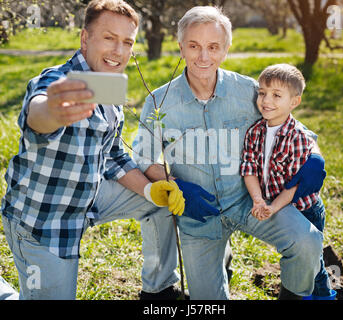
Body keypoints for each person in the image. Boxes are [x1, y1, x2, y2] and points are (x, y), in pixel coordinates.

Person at [0, 0, 212, 300]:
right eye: (109, 38)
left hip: (89, 199)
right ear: (84, 38)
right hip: (44, 220)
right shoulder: (56, 81)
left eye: (127, 42)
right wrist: (53, 110)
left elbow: (114, 155)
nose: (119, 51)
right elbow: (37, 115)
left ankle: (159, 290)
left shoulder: (107, 85)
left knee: (159, 202)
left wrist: (149, 191)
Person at [132, 6, 326, 300]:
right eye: (194, 46)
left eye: (213, 47)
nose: (203, 57)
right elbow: (144, 159)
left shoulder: (248, 91)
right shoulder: (159, 102)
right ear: (181, 46)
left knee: (307, 242)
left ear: (226, 49)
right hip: (199, 217)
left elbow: (297, 129)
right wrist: (176, 186)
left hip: (250, 201)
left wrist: (315, 156)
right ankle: (219, 262)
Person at [241, 63, 335, 299]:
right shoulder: (255, 131)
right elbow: (249, 169)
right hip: (273, 201)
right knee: (305, 260)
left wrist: (273, 207)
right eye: (262, 93)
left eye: (276, 95)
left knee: (313, 263)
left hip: (305, 208)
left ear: (294, 102)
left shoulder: (299, 138)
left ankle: (324, 295)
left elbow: (294, 186)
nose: (266, 100)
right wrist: (258, 200)